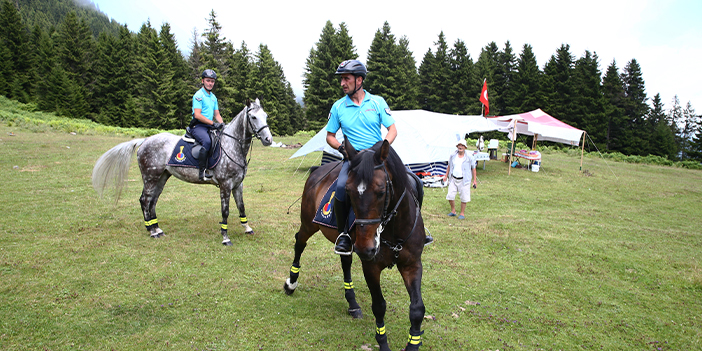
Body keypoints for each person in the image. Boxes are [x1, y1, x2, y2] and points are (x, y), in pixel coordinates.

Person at [325, 59, 397, 255]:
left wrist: (384, 148)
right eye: (341, 79)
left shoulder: (377, 102)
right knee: (341, 188)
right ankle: (344, 236)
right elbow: (329, 136)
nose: (342, 83)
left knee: (411, 180)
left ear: (359, 80)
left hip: (377, 157)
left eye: (346, 79)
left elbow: (392, 130)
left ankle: (416, 228)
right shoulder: (338, 107)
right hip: (354, 160)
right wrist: (341, 147)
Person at [190, 69, 225, 181]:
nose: (210, 83)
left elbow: (217, 114)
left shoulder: (213, 97)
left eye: (212, 81)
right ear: (203, 81)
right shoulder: (198, 95)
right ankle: (202, 172)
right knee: (207, 141)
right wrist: (213, 123)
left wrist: (223, 125)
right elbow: (197, 115)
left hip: (209, 126)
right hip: (198, 126)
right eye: (208, 81)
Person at [442, 140, 477, 219]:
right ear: (457, 146)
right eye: (459, 145)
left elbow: (473, 168)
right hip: (453, 178)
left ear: (465, 147)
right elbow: (449, 166)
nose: (460, 147)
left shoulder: (469, 157)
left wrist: (474, 181)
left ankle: (462, 213)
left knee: (464, 197)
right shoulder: (453, 155)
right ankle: (453, 211)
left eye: (462, 145)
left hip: (464, 180)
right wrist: (446, 176)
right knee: (450, 196)